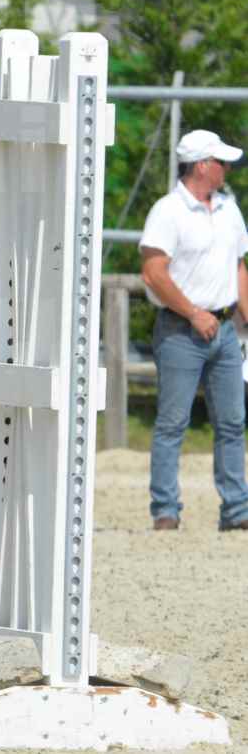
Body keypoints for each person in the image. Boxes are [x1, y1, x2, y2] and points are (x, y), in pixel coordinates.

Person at [138, 129, 248, 532]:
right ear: (203, 165)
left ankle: (237, 509)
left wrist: (245, 315)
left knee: (233, 422)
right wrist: (194, 312)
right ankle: (165, 510)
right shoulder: (168, 211)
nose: (227, 168)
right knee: (172, 423)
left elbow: (238, 265)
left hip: (222, 329)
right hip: (182, 329)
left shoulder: (228, 209)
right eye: (221, 162)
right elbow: (153, 273)